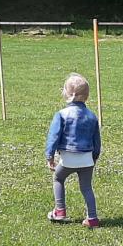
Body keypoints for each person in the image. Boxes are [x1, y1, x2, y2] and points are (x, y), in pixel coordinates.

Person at [45, 73, 102, 228]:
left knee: (58, 179)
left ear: (66, 94)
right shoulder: (92, 116)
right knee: (86, 187)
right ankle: (92, 218)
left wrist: (50, 156)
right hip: (87, 159)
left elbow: (53, 136)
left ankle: (60, 210)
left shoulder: (61, 115)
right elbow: (97, 141)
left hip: (68, 159)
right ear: (87, 96)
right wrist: (94, 157)